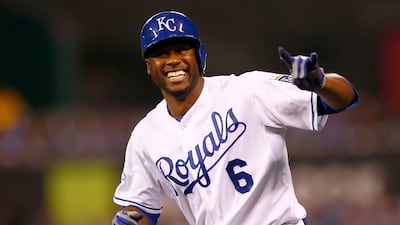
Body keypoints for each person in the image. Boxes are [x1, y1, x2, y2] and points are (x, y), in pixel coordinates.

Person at [111, 11, 359, 225]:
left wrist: (321, 83)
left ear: (199, 55)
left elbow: (343, 99)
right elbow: (139, 208)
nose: (173, 60)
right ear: (149, 65)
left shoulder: (247, 90)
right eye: (162, 54)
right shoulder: (146, 136)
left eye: (181, 49)